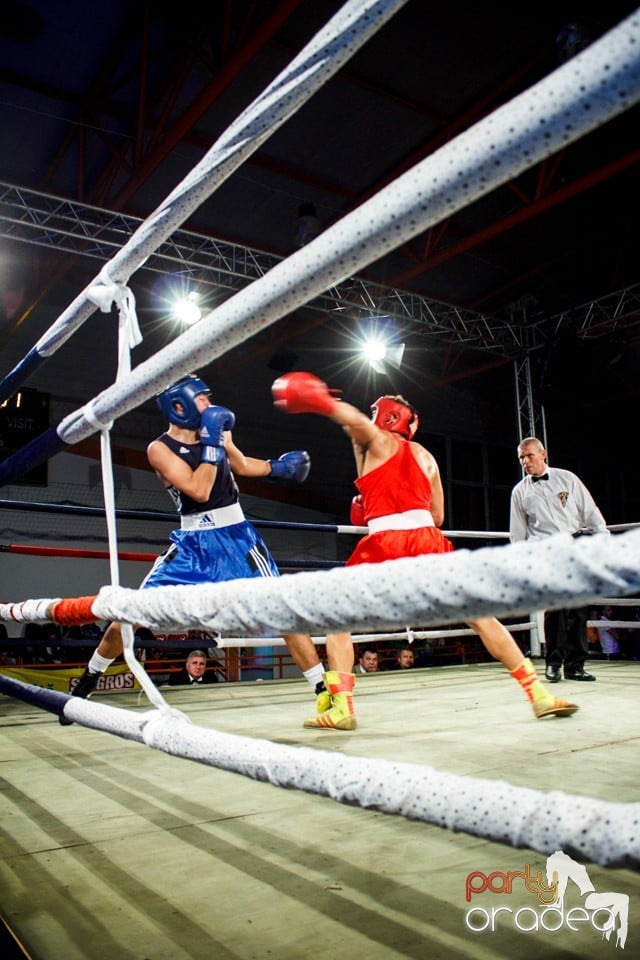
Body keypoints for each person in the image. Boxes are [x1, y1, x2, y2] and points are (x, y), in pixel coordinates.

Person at [272, 372, 577, 729]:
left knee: (337, 621)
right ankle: (538, 695)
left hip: (386, 542)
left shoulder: (375, 441)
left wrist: (320, 400)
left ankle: (342, 708)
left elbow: (351, 421)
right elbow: (438, 515)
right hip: (428, 539)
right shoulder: (426, 457)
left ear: (384, 416)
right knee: (481, 615)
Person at [60, 373, 329, 725]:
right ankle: (87, 684)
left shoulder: (217, 432)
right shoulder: (160, 449)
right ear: (180, 405)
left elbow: (242, 464)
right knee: (130, 614)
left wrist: (279, 468)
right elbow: (199, 491)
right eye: (202, 398)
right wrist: (213, 442)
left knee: (282, 611)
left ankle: (324, 694)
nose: (209, 404)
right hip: (191, 545)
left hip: (237, 539)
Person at [510, 436, 609, 683]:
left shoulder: (568, 479)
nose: (525, 461)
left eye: (529, 455)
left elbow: (590, 511)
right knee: (555, 610)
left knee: (578, 610)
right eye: (521, 457)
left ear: (543, 454)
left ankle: (576, 666)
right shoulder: (520, 491)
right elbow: (517, 533)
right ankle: (553, 664)